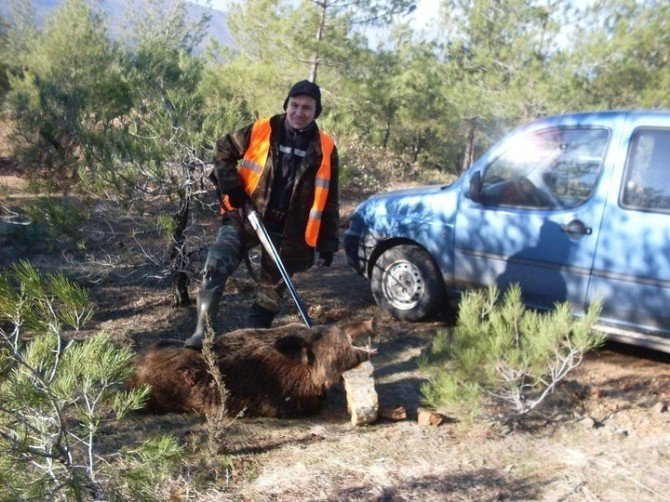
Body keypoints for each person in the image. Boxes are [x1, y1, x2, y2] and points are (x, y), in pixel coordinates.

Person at [184, 80, 339, 349]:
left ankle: (249, 348)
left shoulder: (325, 147)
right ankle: (202, 334)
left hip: (290, 233)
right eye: (294, 105)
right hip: (246, 216)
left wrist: (327, 244)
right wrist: (232, 188)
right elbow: (223, 150)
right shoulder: (262, 129)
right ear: (286, 105)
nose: (299, 112)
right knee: (215, 264)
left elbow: (330, 196)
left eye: (307, 107)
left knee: (270, 296)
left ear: (316, 111)